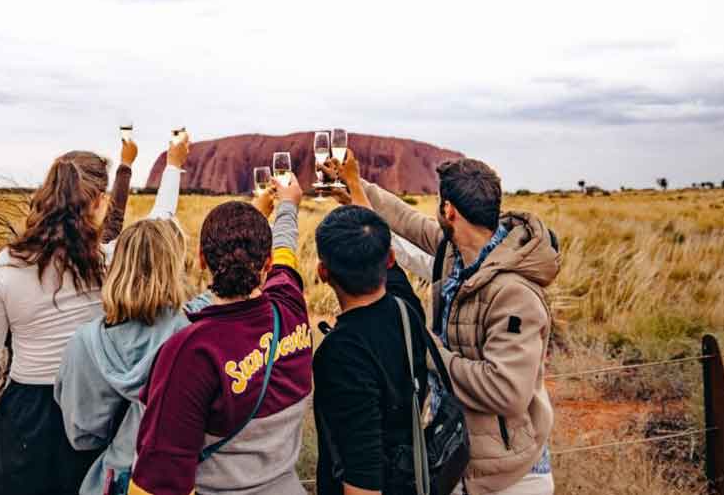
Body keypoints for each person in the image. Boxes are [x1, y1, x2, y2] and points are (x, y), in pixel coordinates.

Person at [323, 153, 559, 495]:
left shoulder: (515, 294)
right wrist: (357, 187)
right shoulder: (457, 250)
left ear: (449, 211)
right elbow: (406, 220)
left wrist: (428, 349)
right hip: (462, 458)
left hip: (511, 477)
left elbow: (506, 391)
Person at [0, 133, 190, 495]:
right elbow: (160, 222)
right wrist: (174, 166)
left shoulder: (6, 267)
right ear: (101, 201)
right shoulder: (108, 262)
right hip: (91, 413)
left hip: (24, 417)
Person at [129, 174, 313, 495]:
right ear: (267, 263)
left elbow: (161, 479)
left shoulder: (191, 352)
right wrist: (287, 205)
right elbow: (286, 248)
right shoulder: (290, 306)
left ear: (202, 260)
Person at [53, 213, 210, 495]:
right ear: (172, 269)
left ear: (117, 267)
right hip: (173, 482)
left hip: (114, 479)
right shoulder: (189, 337)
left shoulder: (84, 343)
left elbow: (81, 436)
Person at [312, 202, 429, 495]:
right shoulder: (407, 308)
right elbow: (378, 247)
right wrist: (353, 183)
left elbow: (363, 479)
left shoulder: (341, 354)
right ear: (390, 259)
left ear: (322, 272)